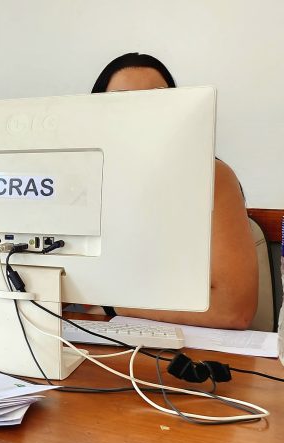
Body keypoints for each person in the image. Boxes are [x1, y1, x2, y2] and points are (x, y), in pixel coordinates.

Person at [92, 53, 258, 330]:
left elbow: (233, 309)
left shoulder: (212, 177)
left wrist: (111, 305)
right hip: (84, 335)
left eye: (157, 101)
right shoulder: (80, 179)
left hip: (189, 344)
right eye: (123, 102)